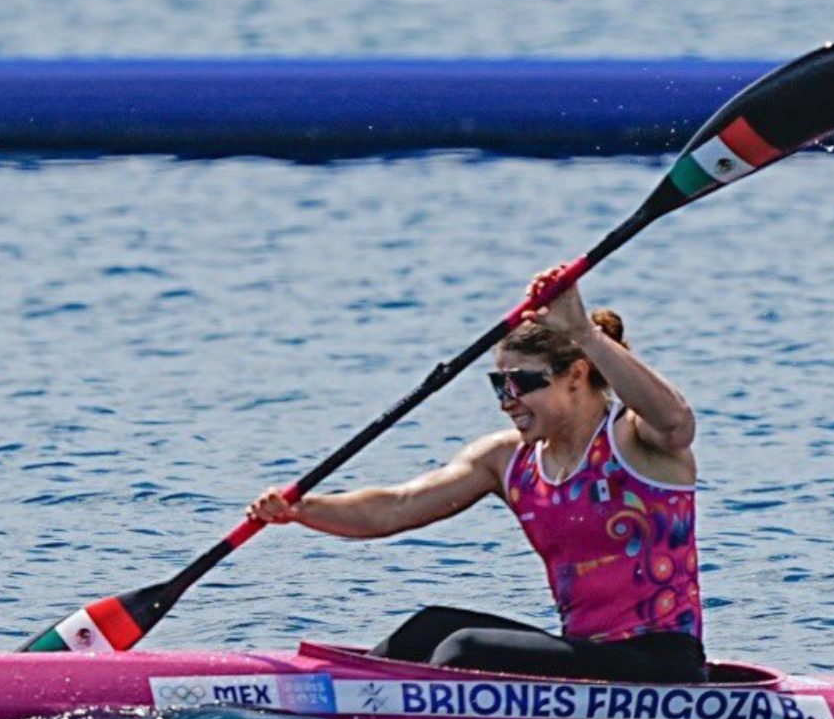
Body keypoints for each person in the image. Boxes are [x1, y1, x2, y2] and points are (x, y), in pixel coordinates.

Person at [246, 278, 707, 683]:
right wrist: (301, 510)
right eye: (498, 384)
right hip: (587, 656)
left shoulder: (634, 439)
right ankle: (349, 705)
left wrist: (583, 332)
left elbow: (677, 424)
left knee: (465, 650)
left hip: (661, 663)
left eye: (522, 383)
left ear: (577, 376)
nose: (508, 401)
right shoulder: (507, 459)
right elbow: (396, 507)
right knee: (428, 629)